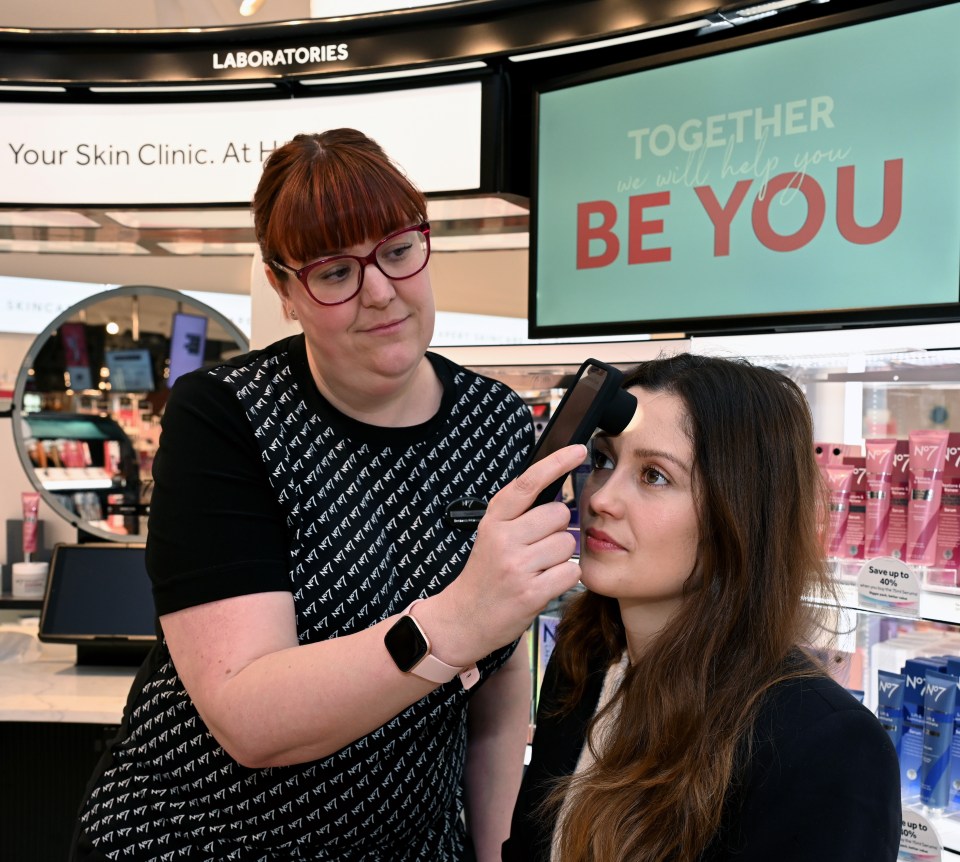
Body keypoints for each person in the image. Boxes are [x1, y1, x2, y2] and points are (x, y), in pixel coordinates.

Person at [71, 128, 585, 862]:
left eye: (399, 251)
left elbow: (498, 694)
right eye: (335, 272)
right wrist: (454, 621)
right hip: (198, 840)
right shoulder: (228, 417)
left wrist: (494, 850)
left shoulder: (498, 423)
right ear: (285, 290)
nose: (380, 292)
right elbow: (250, 719)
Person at [503, 352, 902, 862]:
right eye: (604, 460)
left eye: (654, 476)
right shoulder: (583, 661)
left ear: (736, 516)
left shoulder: (827, 747)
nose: (601, 498)